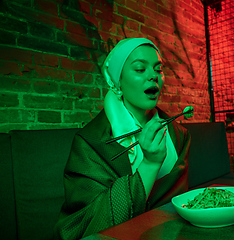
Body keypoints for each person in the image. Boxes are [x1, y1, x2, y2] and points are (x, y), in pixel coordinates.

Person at [54, 38, 191, 240]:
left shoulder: (179, 134)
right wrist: (150, 163)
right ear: (118, 81)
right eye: (139, 69)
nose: (153, 75)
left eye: (158, 69)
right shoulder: (91, 142)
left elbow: (180, 204)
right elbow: (85, 223)